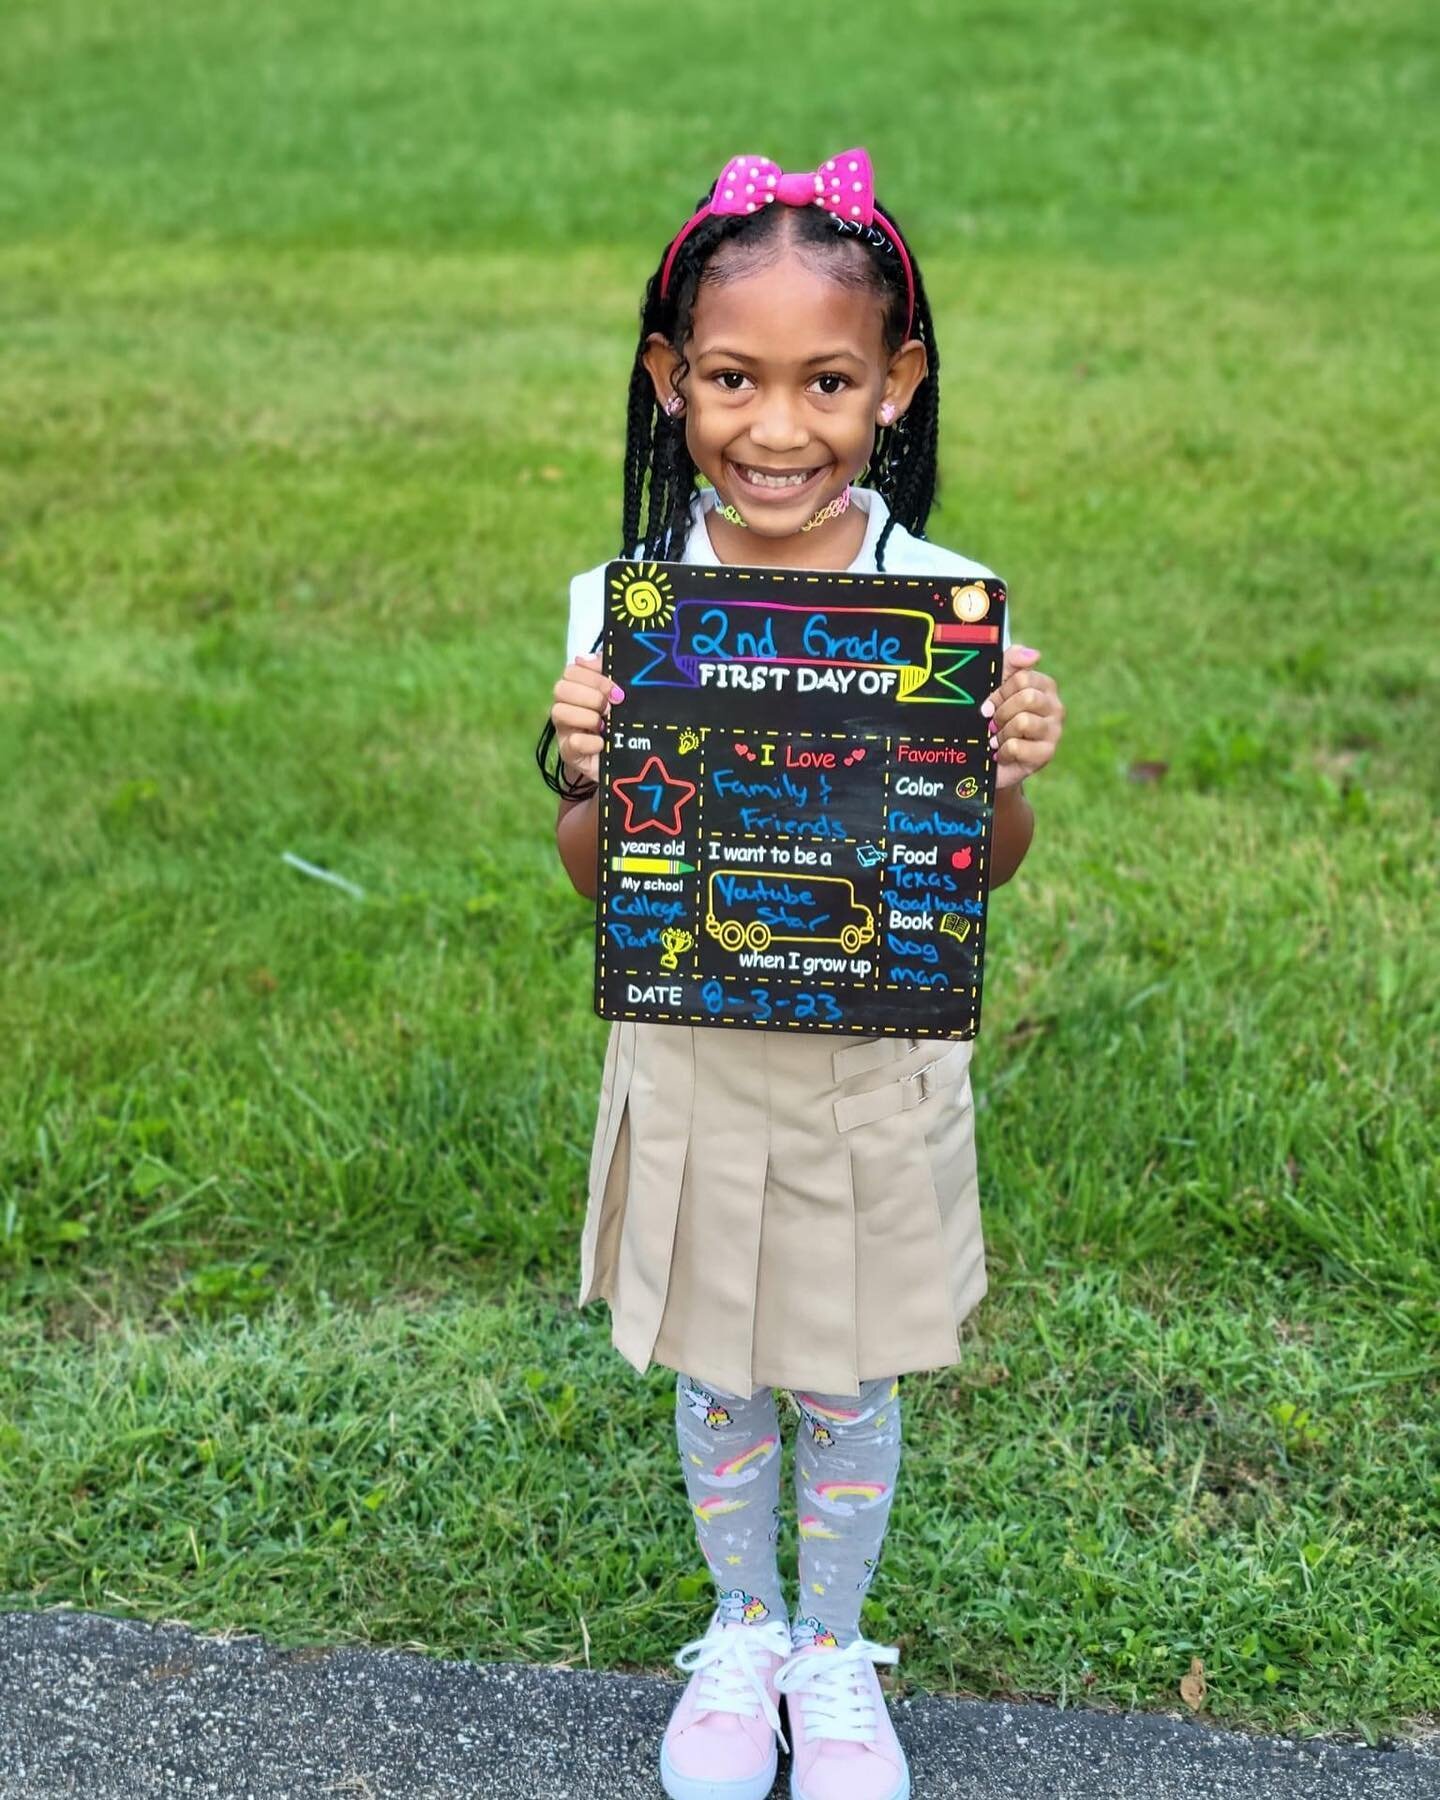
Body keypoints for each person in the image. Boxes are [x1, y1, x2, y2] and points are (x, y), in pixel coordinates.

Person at [539, 148, 1065, 1800]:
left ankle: (835, 1654)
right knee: (719, 1364)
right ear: (669, 383)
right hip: (697, 1057)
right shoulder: (628, 611)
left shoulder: (932, 605)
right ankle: (743, 1624)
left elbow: (976, 870)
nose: (778, 427)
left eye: (827, 381)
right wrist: (592, 773)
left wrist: (1008, 772)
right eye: (732, 379)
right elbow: (593, 886)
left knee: (843, 1373)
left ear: (896, 385)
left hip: (865, 1060)